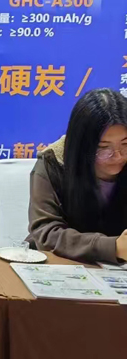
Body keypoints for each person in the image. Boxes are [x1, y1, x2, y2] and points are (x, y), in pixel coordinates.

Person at [29, 88, 127, 263]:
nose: (118, 156)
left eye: (125, 144)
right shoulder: (53, 163)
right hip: (58, 265)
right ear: (82, 145)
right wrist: (113, 247)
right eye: (104, 148)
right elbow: (46, 233)